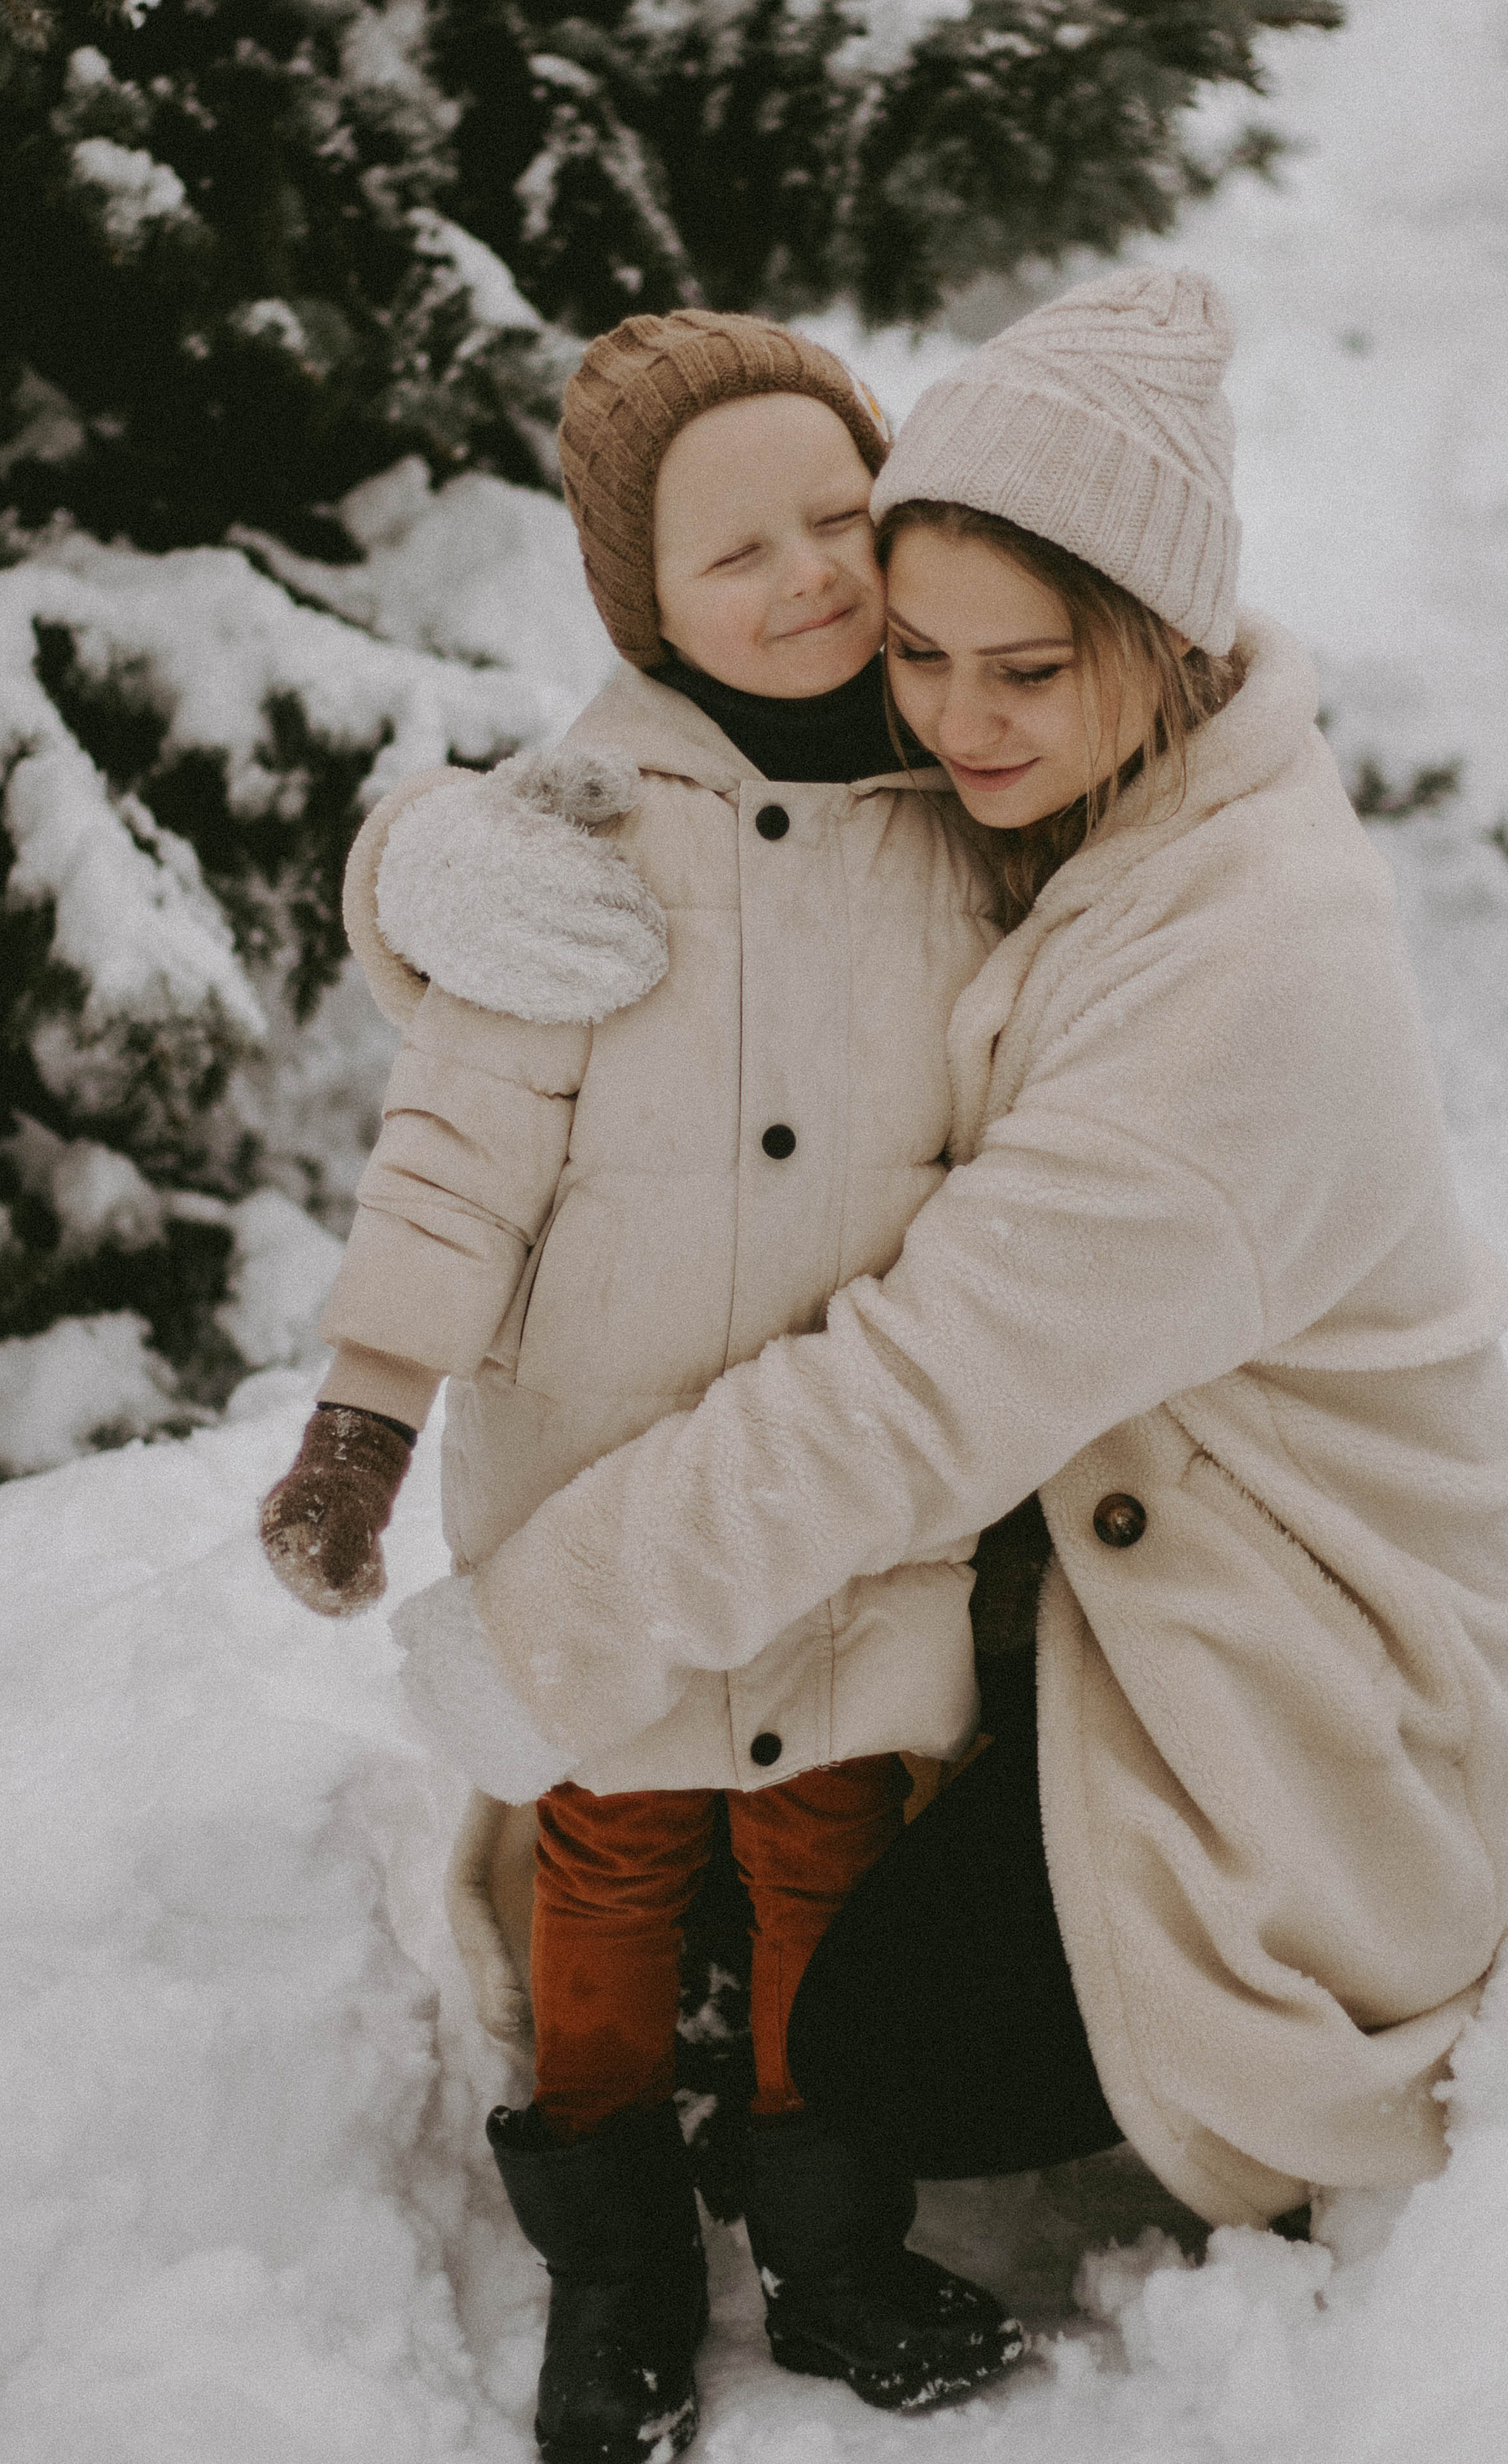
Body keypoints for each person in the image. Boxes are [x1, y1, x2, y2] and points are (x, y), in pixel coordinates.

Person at [393, 264, 1508, 2237]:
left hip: (1305, 1699)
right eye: (920, 655)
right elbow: (710, 872)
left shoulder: (1255, 974)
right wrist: (429, 882)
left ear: (1164, 636)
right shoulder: (1080, 766)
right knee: (707, 1873)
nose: (951, 719)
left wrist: (536, 1636)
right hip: (1083, 1579)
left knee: (885, 2052)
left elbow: (909, 1401)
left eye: (1022, 669)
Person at [257, 309, 1024, 2464]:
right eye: (730, 552)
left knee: (826, 1847)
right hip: (600, 1481)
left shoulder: (953, 812)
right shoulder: (566, 848)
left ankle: (829, 2235)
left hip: (861, 1483)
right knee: (607, 1849)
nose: (806, 577)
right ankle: (611, 2260)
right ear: (636, 599)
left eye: (838, 518)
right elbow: (459, 1146)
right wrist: (369, 1404)